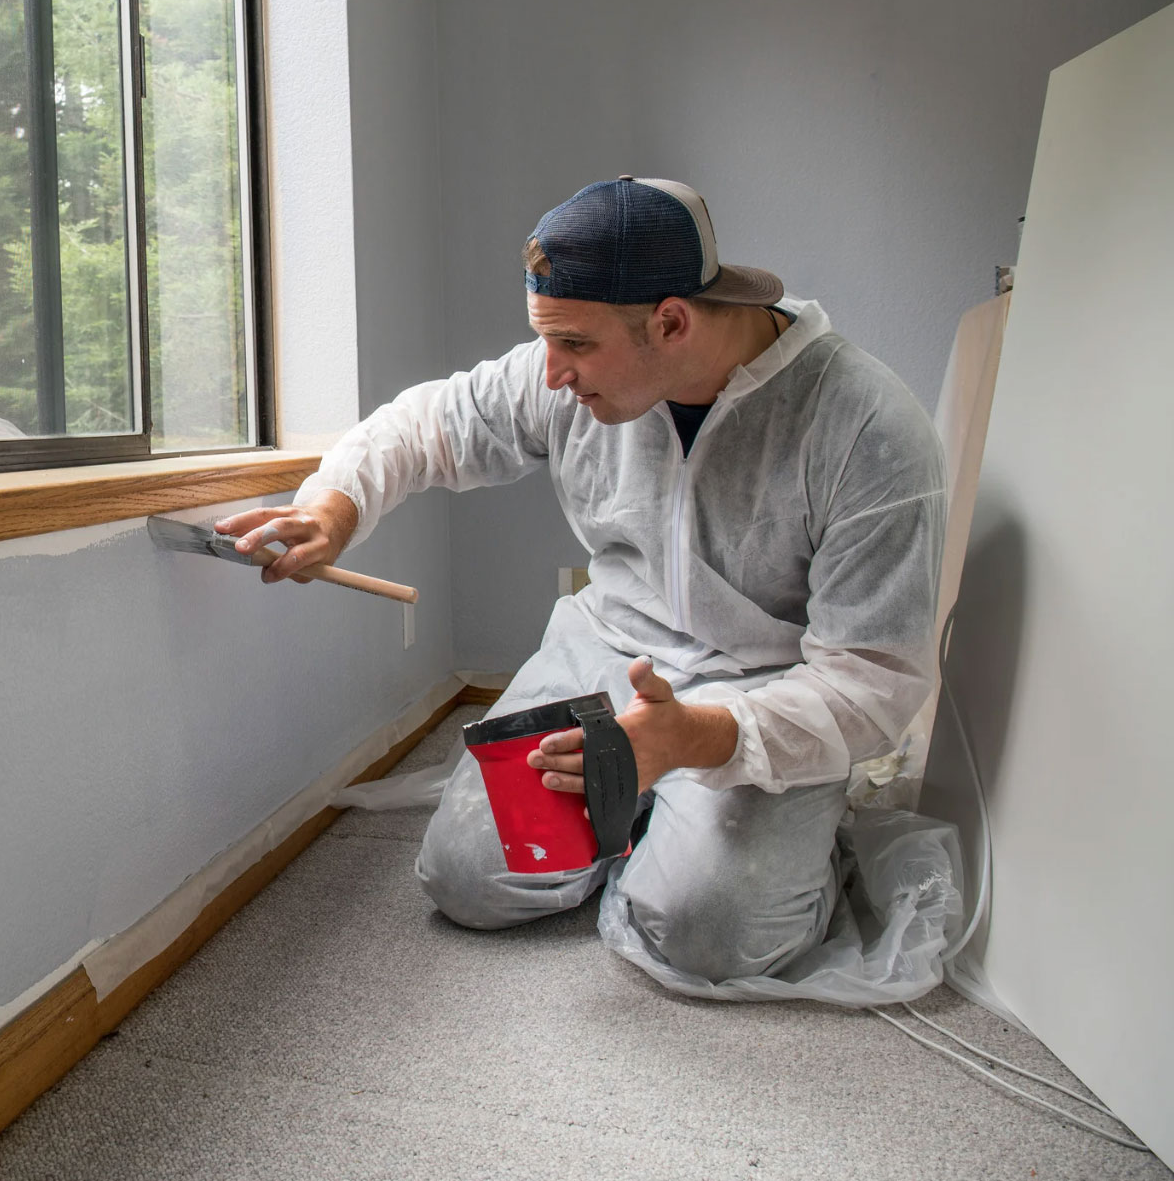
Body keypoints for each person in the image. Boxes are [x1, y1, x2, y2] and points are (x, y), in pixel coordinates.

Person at [217, 176, 946, 985]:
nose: (552, 373)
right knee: (468, 879)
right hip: (608, 655)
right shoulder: (564, 373)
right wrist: (333, 509)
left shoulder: (866, 426)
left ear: (670, 322)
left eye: (574, 344)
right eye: (546, 341)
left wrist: (693, 740)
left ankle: (766, 832)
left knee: (711, 937)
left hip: (764, 691)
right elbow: (424, 426)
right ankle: (649, 813)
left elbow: (872, 679)